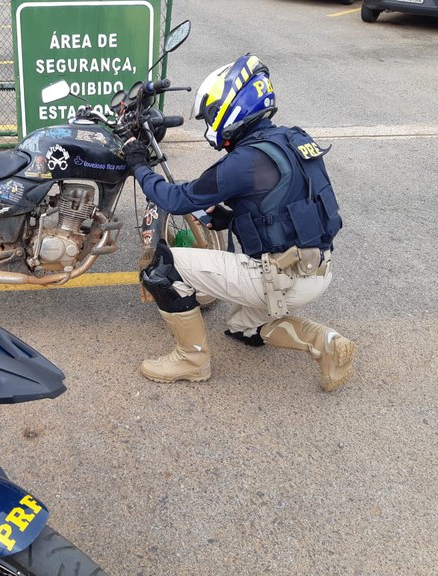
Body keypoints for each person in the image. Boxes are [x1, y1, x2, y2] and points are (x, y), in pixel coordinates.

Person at [122, 54, 355, 392]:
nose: (211, 122)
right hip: (318, 268)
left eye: (213, 113)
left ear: (235, 107)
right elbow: (287, 200)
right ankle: (328, 343)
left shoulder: (245, 162)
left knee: (162, 267)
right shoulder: (293, 139)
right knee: (241, 328)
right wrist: (231, 216)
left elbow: (174, 199)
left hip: (278, 277)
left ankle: (192, 360)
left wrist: (138, 164)